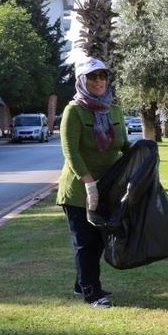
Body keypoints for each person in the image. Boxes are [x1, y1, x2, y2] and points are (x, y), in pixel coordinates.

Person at [57, 57, 130, 308]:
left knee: (99, 240)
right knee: (86, 241)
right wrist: (88, 184)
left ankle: (82, 283)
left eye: (102, 76)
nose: (98, 81)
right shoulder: (74, 111)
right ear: (81, 81)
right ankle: (92, 292)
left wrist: (144, 156)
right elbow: (70, 150)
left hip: (107, 187)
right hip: (79, 189)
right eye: (92, 77)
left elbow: (124, 145)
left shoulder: (116, 111)